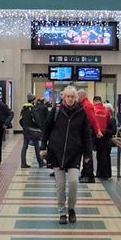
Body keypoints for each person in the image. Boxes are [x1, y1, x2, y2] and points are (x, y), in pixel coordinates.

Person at [40, 86, 92, 225]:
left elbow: (86, 134)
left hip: (74, 153)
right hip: (56, 152)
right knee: (60, 186)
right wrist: (43, 146)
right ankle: (62, 211)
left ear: (76, 98)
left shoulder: (81, 112)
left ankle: (71, 209)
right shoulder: (56, 111)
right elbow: (47, 128)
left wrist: (88, 153)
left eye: (72, 97)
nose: (70, 99)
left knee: (74, 182)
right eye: (67, 97)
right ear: (63, 98)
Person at [77, 89, 101, 183]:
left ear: (81, 96)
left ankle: (88, 175)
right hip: (87, 132)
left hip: (88, 132)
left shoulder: (86, 105)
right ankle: (85, 173)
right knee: (86, 153)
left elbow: (92, 120)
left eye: (77, 96)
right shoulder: (85, 104)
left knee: (87, 153)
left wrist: (97, 130)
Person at [19, 93, 44, 168]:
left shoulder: (24, 108)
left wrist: (24, 127)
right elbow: (37, 119)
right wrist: (40, 127)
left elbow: (20, 120)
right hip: (33, 130)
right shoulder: (33, 108)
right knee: (36, 146)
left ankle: (23, 163)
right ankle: (40, 162)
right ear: (33, 100)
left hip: (25, 130)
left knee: (25, 146)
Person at [93, 97, 113, 180]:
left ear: (94, 101)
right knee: (103, 155)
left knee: (97, 155)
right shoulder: (106, 110)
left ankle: (99, 173)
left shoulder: (93, 109)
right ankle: (104, 173)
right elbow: (108, 121)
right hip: (104, 136)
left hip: (95, 134)